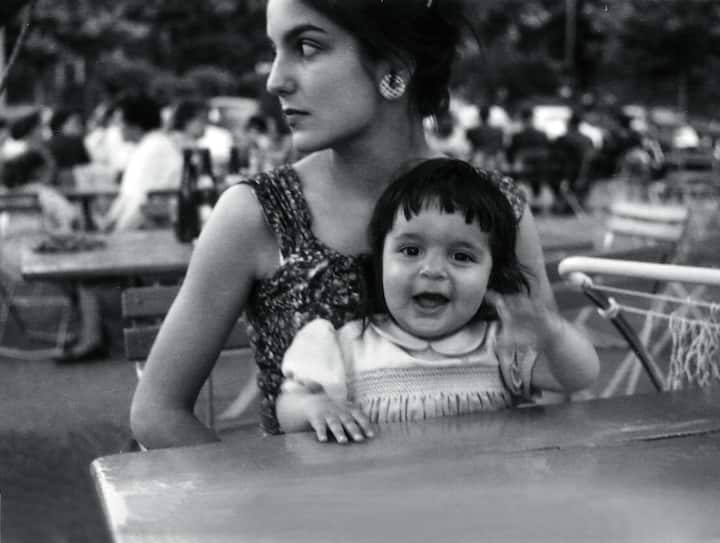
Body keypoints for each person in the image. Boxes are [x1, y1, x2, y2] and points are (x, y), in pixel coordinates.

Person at [131, 0, 565, 449]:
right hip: (312, 494)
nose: (275, 80)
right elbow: (157, 413)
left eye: (306, 47)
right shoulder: (258, 213)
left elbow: (557, 383)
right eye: (276, 50)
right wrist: (257, 488)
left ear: (394, 68)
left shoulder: (495, 207)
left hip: (481, 486)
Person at [276, 158, 599, 442]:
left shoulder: (501, 347)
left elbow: (579, 377)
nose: (432, 270)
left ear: (491, 274)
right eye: (410, 250)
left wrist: (554, 335)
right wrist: (313, 406)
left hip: (486, 489)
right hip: (381, 490)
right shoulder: (345, 346)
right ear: (380, 261)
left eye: (461, 256)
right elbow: (288, 409)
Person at [98, 93, 182, 232]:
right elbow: (128, 196)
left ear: (135, 125)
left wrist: (118, 234)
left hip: (154, 229)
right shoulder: (148, 146)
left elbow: (139, 202)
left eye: (120, 122)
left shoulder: (154, 149)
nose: (118, 128)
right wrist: (109, 224)